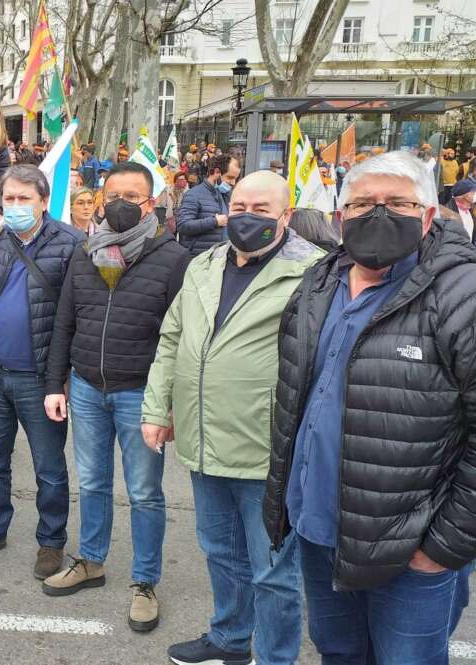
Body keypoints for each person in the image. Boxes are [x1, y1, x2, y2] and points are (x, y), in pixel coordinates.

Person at [270, 152, 476, 664]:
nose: (378, 214)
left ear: (428, 216)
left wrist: (443, 548)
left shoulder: (462, 294)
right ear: (340, 218)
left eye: (398, 202)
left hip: (408, 549)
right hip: (318, 531)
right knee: (338, 654)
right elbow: (294, 395)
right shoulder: (318, 282)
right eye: (362, 203)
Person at [143, 170, 322, 665]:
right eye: (240, 205)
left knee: (272, 571)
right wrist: (159, 408)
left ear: (286, 215)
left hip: (267, 448)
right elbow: (172, 340)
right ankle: (229, 638)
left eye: (262, 210)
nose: (247, 217)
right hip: (203, 441)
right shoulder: (204, 264)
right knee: (221, 555)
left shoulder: (314, 274)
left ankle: (275, 657)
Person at [42, 162, 190, 632]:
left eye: (134, 196)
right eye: (115, 196)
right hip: (86, 387)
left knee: (145, 492)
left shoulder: (173, 257)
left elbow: (179, 336)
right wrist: (55, 381)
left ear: (151, 203)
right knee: (92, 482)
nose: (122, 204)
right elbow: (66, 318)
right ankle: (91, 560)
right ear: (102, 200)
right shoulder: (88, 250)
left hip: (140, 394)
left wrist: (167, 403)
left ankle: (144, 581)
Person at [0, 165, 84, 581]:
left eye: (24, 199)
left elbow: (77, 314)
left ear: (44, 202)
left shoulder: (70, 244)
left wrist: (60, 379)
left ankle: (51, 540)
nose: (14, 207)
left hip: (40, 379)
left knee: (48, 466)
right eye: (8, 199)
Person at [175, 153, 239, 256]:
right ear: (217, 172)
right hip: (198, 260)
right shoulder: (193, 195)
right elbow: (183, 225)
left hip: (221, 259)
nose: (233, 183)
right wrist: (214, 221)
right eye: (230, 177)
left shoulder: (228, 196)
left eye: (236, 178)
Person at [163, 172, 189, 236]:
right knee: (170, 235)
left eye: (183, 179)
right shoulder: (168, 190)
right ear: (175, 180)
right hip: (170, 219)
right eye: (180, 179)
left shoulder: (187, 192)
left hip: (182, 218)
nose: (182, 181)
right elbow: (163, 204)